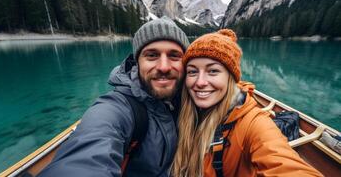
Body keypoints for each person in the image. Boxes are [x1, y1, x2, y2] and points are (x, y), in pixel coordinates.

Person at [39, 16, 189, 176]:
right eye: (152, 55)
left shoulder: (195, 99)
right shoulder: (117, 108)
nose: (164, 67)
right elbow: (89, 153)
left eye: (174, 56)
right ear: (137, 63)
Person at [171, 29, 323, 177]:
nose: (200, 82)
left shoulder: (254, 123)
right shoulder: (183, 109)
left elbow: (285, 166)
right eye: (192, 71)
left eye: (213, 71)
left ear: (230, 78)